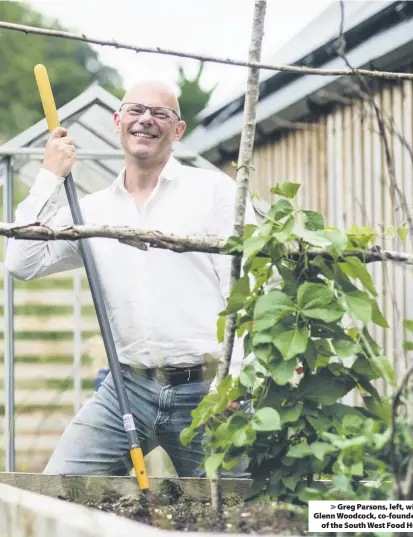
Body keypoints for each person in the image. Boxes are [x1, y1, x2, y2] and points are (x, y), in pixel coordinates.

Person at [5, 81, 257, 477]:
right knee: (60, 485)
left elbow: (249, 289)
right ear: (117, 121)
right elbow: (21, 260)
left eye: (161, 113)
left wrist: (236, 379)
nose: (146, 120)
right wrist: (49, 176)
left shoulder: (212, 192)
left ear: (178, 130)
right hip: (127, 389)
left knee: (241, 511)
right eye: (136, 110)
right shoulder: (90, 209)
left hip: (206, 389)